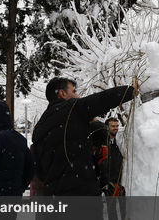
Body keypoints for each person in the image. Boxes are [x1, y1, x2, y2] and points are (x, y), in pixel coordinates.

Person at [32, 77, 137, 219]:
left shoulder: (39, 128)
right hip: (81, 197)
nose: (77, 96)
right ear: (62, 94)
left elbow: (39, 169)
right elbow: (101, 100)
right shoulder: (71, 108)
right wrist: (129, 91)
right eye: (74, 91)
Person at [104, 117, 126, 220]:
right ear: (107, 127)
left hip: (121, 180)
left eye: (117, 126)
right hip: (109, 182)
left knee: (124, 208)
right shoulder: (103, 143)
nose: (116, 128)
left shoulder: (120, 140)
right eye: (113, 126)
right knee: (111, 209)